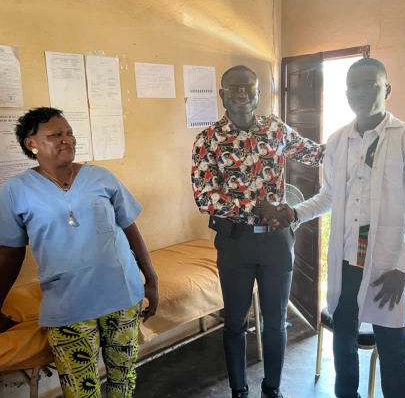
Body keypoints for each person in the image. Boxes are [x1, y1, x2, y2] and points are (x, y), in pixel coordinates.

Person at [271, 58, 405, 398]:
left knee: (393, 350)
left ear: (386, 89)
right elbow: (329, 196)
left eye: (370, 84)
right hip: (347, 261)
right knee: (344, 342)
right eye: (353, 86)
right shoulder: (337, 141)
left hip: (388, 267)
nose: (360, 92)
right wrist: (294, 213)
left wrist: (403, 271)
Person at [0, 107, 159, 398]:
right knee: (80, 390)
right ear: (31, 144)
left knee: (123, 384)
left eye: (70, 133)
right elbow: (10, 253)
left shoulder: (101, 178)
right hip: (68, 306)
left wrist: (151, 278)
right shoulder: (16, 190)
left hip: (123, 296)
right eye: (56, 134)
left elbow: (129, 228)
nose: (67, 140)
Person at [191, 65, 326, 398]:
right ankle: (239, 389)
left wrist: (358, 139)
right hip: (235, 243)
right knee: (236, 322)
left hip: (277, 241)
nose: (241, 95)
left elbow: (314, 153)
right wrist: (252, 208)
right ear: (222, 94)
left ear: (258, 94)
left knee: (276, 321)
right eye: (234, 89)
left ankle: (272, 388)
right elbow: (203, 196)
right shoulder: (207, 139)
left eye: (248, 89)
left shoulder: (275, 130)